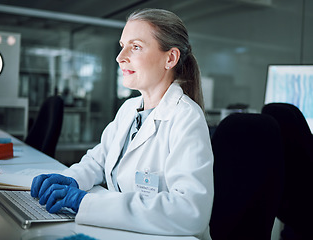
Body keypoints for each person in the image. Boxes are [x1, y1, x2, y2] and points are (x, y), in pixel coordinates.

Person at [31, 8, 214, 239]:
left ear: (170, 58)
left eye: (135, 46)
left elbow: (190, 213)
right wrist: (73, 178)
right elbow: (100, 159)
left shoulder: (186, 117)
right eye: (122, 45)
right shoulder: (130, 109)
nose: (120, 57)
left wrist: (85, 202)